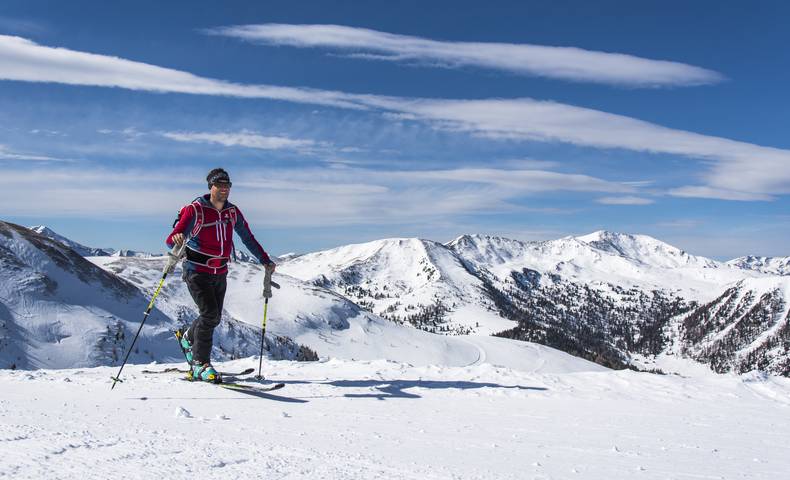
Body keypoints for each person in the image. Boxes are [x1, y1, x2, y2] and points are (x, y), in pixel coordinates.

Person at [166, 168, 276, 382]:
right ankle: (200, 364)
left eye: (228, 185)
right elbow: (171, 240)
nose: (225, 189)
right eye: (220, 185)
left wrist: (265, 260)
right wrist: (177, 237)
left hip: (220, 271)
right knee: (210, 315)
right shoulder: (195, 210)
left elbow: (247, 238)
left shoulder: (232, 212)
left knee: (213, 317)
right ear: (211, 186)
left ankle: (189, 337)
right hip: (196, 270)